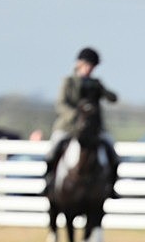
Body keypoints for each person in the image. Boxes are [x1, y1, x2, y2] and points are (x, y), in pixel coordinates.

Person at [44, 47, 120, 196]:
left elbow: (113, 98)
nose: (89, 69)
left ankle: (111, 186)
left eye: (92, 66)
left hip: (93, 130)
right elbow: (61, 104)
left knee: (112, 151)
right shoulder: (69, 82)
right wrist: (76, 116)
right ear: (79, 64)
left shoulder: (96, 83)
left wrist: (101, 88)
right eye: (87, 65)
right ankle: (49, 184)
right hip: (69, 128)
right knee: (53, 151)